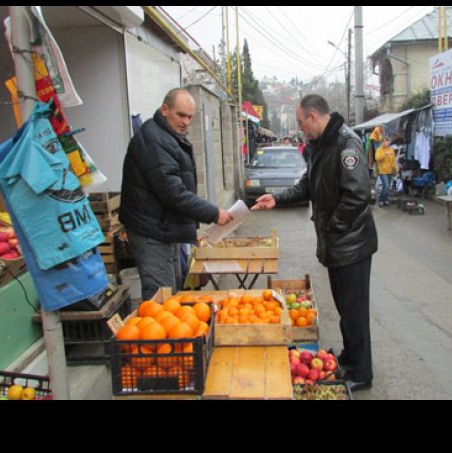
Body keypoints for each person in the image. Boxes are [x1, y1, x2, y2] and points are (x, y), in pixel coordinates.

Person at [251, 94, 378, 392]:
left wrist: (333, 228)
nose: (299, 128)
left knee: (355, 310)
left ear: (312, 116)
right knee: (346, 307)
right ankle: (350, 357)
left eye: (300, 121)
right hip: (338, 244)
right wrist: (277, 197)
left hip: (351, 244)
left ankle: (362, 372)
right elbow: (308, 185)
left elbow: (358, 196)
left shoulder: (346, 145)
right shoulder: (321, 145)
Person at [120, 88, 233, 299]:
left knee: (171, 292)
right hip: (151, 231)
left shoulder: (167, 136)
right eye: (181, 115)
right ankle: (160, 334)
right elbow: (173, 193)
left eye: (190, 117)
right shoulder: (155, 140)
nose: (186, 122)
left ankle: (172, 332)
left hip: (163, 228)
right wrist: (213, 213)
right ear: (165, 110)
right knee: (161, 298)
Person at [374, 136, 398, 207]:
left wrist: (396, 169)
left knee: (388, 186)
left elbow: (394, 161)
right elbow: (377, 158)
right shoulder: (379, 149)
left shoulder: (391, 150)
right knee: (386, 186)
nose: (385, 142)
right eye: (384, 141)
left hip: (390, 171)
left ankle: (386, 199)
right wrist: (384, 154)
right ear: (381, 142)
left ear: (389, 142)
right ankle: (381, 200)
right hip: (383, 171)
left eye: (387, 141)